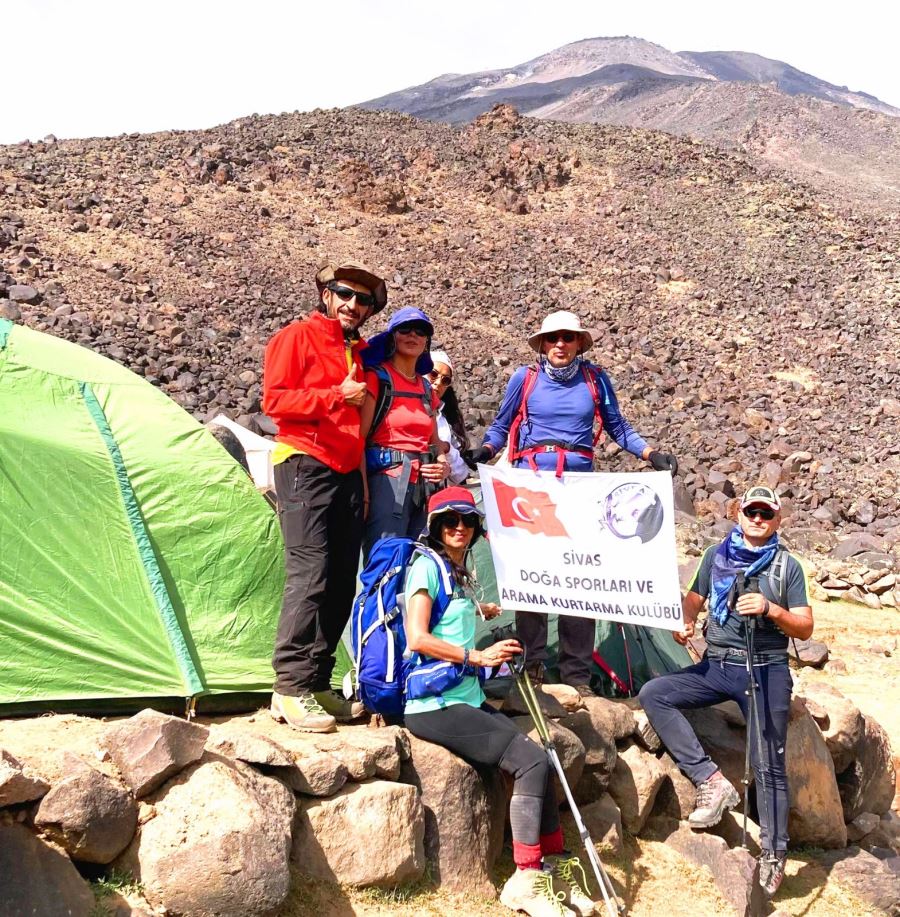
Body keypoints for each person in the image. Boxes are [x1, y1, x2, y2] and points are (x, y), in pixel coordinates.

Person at [404, 487, 596, 917]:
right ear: (435, 525)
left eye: (468, 521)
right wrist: (478, 656)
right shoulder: (425, 569)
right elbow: (417, 636)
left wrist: (484, 610)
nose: (459, 528)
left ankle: (553, 866)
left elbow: (452, 615)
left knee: (542, 757)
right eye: (450, 521)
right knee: (529, 761)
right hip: (433, 704)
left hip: (463, 696)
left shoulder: (459, 571)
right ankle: (525, 878)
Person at [468, 310, 677, 695]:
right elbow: (501, 423)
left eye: (567, 337)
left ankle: (576, 675)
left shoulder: (595, 380)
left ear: (580, 342)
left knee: (578, 579)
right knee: (534, 575)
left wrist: (650, 455)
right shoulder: (524, 379)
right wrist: (486, 449)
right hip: (529, 487)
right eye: (552, 338)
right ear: (542, 345)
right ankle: (532, 664)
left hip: (580, 489)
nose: (560, 344)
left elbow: (618, 427)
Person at [639, 486, 814, 897]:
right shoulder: (716, 555)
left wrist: (771, 610)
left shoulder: (787, 567)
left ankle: (773, 853)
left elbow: (805, 627)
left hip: (766, 669)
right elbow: (694, 600)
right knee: (654, 693)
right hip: (717, 665)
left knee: (766, 762)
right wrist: (682, 624)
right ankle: (711, 780)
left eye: (765, 514)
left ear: (777, 520)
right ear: (739, 514)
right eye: (750, 511)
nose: (757, 519)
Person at [262, 260, 387, 733]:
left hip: (347, 474)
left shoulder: (359, 352)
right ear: (326, 293)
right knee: (310, 571)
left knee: (340, 579)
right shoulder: (295, 337)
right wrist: (336, 394)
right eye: (345, 294)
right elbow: (275, 402)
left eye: (364, 301)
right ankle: (289, 687)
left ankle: (316, 682)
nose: (354, 305)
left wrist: (363, 483)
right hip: (303, 462)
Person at [360, 307, 450, 558]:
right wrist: (364, 492)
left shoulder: (425, 387)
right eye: (405, 329)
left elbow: (435, 443)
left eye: (420, 331)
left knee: (419, 564)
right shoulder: (377, 378)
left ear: (426, 341)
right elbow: (359, 439)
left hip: (424, 489)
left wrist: (443, 467)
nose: (413, 336)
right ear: (392, 336)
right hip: (386, 486)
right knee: (385, 563)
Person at [429, 348, 470, 486]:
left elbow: (460, 475)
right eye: (433, 374)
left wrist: (447, 448)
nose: (438, 382)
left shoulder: (444, 420)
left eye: (445, 380)